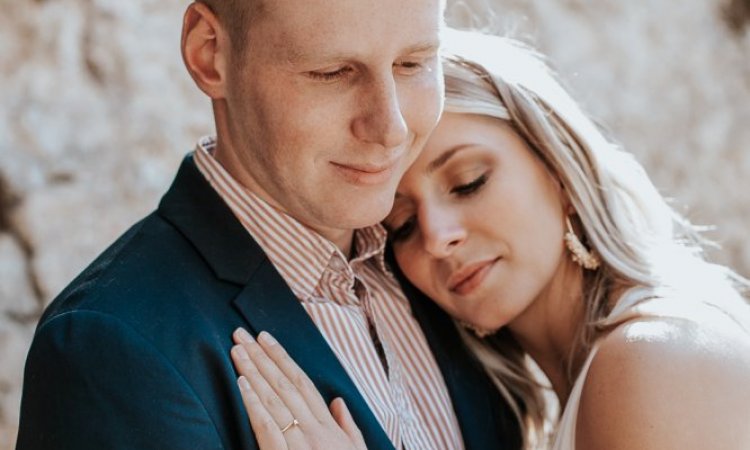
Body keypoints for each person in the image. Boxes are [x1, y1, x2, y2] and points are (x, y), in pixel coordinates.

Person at [16, 4, 522, 450]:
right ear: (210, 52)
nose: (390, 127)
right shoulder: (110, 350)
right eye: (333, 72)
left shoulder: (442, 264)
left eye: (413, 63)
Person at [228, 29, 750, 449]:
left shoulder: (651, 361)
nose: (436, 238)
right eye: (402, 226)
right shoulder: (566, 393)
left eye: (468, 182)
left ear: (559, 167)